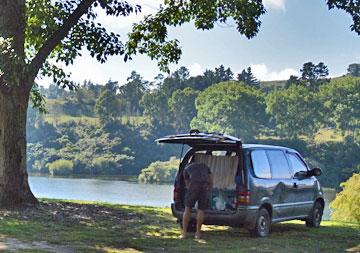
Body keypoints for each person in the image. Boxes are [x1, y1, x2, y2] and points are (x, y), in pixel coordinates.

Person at [181, 161, 213, 239]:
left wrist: (190, 188)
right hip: (204, 188)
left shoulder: (187, 168)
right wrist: (209, 190)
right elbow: (211, 181)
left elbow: (187, 183)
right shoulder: (205, 166)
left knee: (187, 209)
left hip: (193, 188)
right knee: (200, 210)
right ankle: (198, 233)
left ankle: (184, 233)